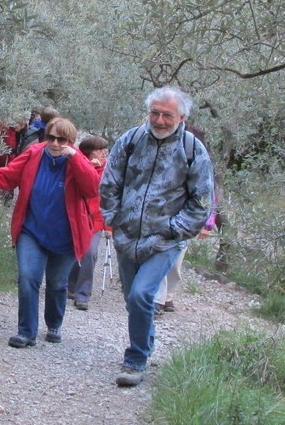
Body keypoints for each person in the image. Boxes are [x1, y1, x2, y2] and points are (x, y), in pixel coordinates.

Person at [99, 86, 214, 387]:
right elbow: (110, 182)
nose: (160, 120)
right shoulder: (131, 140)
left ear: (182, 117)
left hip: (165, 241)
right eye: (155, 113)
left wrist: (174, 229)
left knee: (141, 295)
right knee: (132, 299)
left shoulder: (193, 150)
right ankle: (145, 345)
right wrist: (113, 219)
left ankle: (135, 361)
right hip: (127, 236)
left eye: (167, 115)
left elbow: (202, 200)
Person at [0, 117, 99, 348]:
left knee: (57, 284)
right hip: (32, 230)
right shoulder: (34, 154)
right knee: (27, 277)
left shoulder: (79, 161)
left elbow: (92, 188)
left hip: (66, 236)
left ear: (71, 141)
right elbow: (7, 175)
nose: (55, 144)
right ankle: (26, 332)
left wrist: (75, 158)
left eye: (62, 139)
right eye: (51, 138)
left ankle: (54, 324)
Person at [155, 125, 217, 314]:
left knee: (175, 264)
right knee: (160, 257)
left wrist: (208, 223)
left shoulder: (201, 162)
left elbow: (208, 196)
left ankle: (168, 295)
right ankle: (157, 299)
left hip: (186, 221)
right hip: (161, 218)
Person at [66, 135, 109, 310]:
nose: (104, 153)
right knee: (75, 251)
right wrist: (89, 169)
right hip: (78, 217)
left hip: (96, 221)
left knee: (90, 254)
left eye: (105, 150)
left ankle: (83, 294)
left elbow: (110, 198)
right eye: (100, 151)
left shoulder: (108, 170)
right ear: (89, 153)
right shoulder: (77, 165)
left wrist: (110, 226)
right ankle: (71, 285)